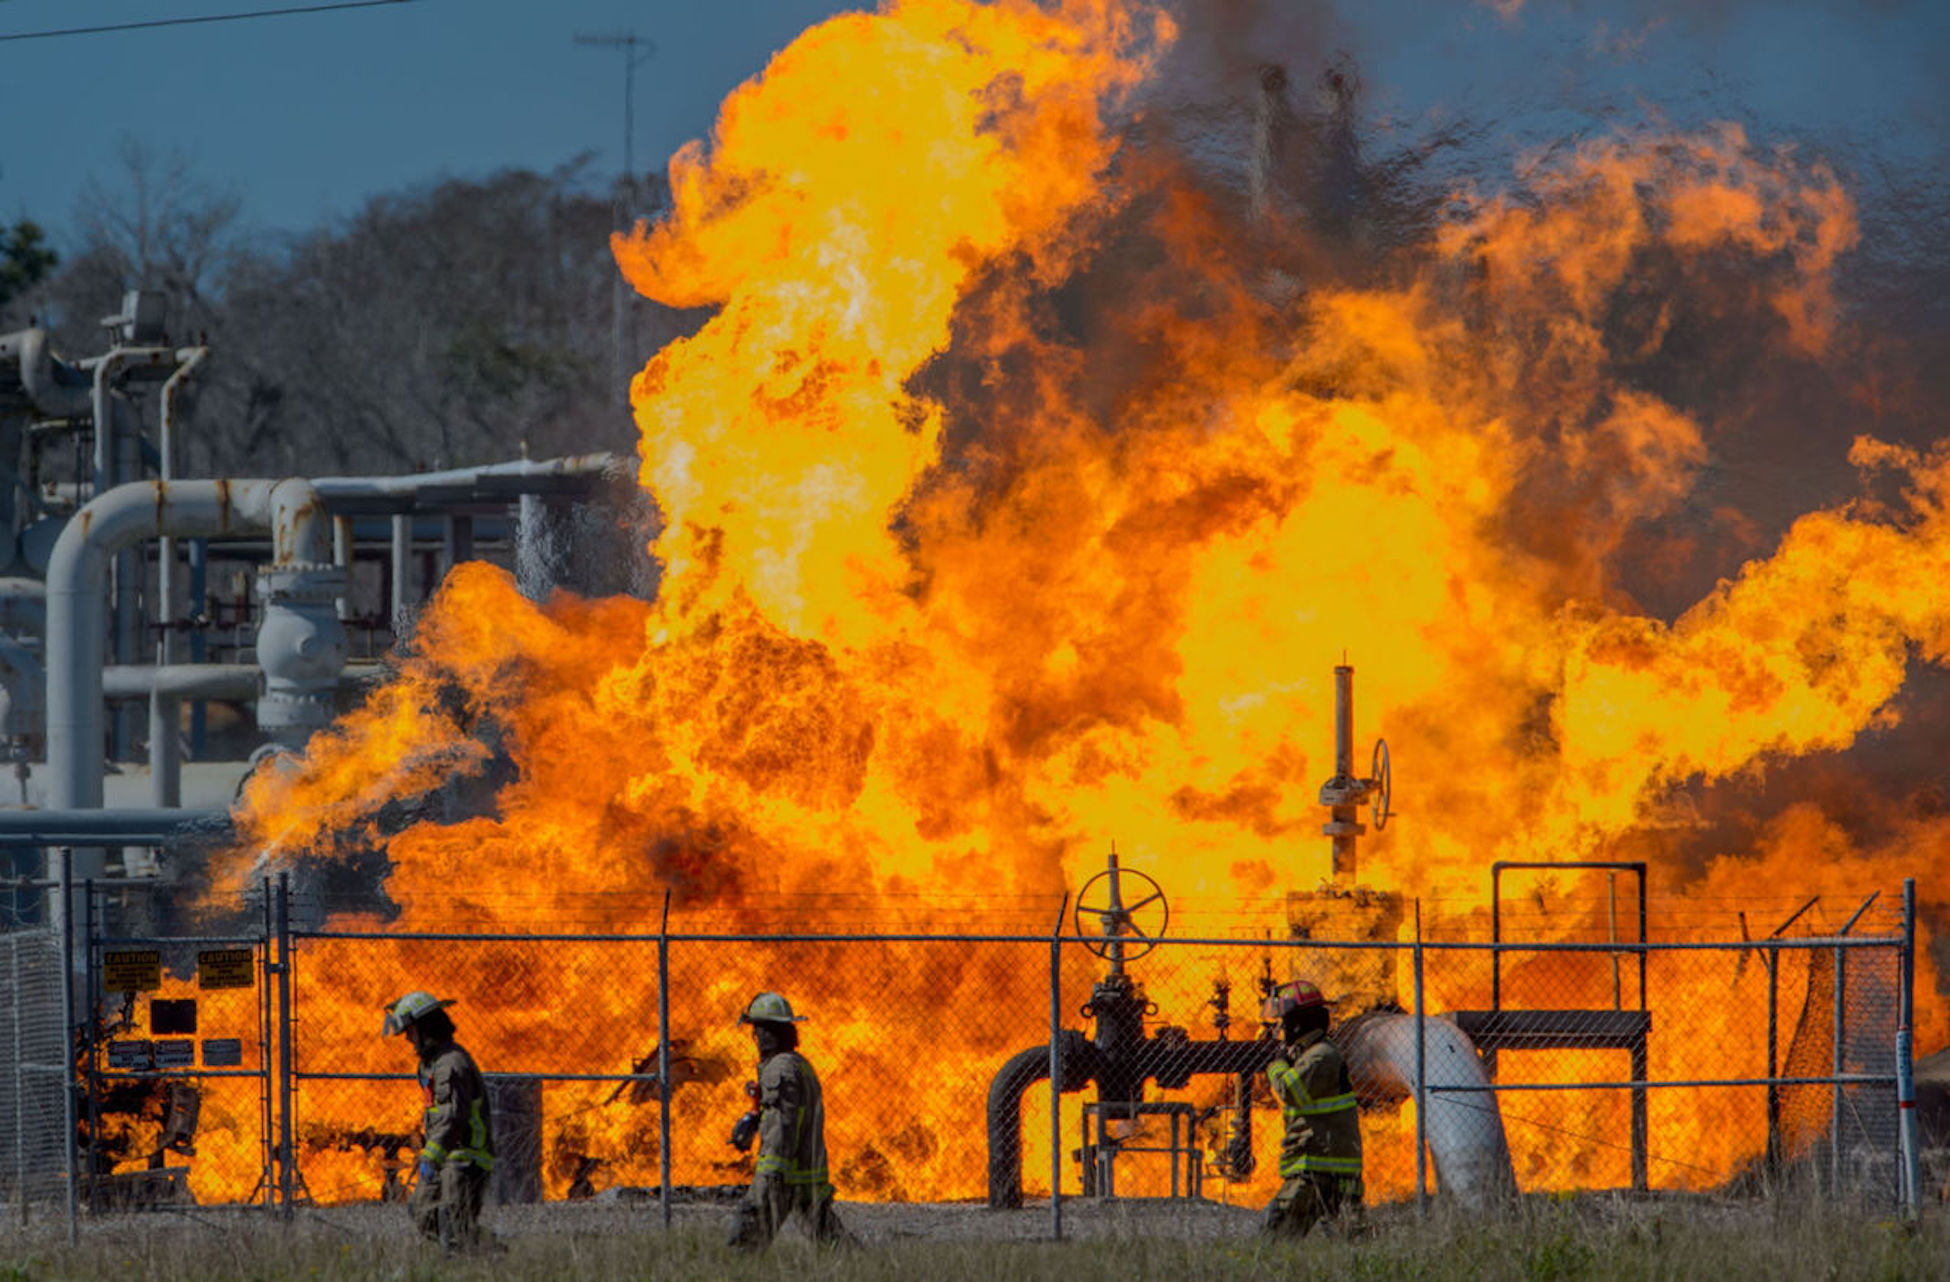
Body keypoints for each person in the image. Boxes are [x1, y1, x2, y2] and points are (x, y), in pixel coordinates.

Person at [726, 991, 856, 1250]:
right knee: (830, 1239)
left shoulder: (779, 1070)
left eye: (760, 1029)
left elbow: (781, 1129)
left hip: (783, 1173)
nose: (757, 1037)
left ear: (771, 1032)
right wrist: (754, 1118)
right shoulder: (800, 1065)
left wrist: (770, 1175)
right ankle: (866, 1268)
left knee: (746, 1235)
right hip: (808, 1170)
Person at [383, 990, 495, 1253]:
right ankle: (487, 1247)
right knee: (420, 1209)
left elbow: (451, 1118)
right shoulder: (431, 1063)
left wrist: (430, 1157)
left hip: (466, 1156)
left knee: (454, 1224)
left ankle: (476, 1257)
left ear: (425, 1028)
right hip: (445, 1154)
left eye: (410, 1031)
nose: (408, 1039)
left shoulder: (450, 1064)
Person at [1259, 979, 1362, 1237]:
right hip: (1323, 1169)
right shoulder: (1312, 1055)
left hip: (1317, 1171)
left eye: (1282, 1022)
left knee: (1274, 1239)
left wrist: (1276, 1066)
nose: (1280, 1029)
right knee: (1345, 1245)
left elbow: (1290, 1091)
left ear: (1297, 1023)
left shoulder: (1320, 1056)